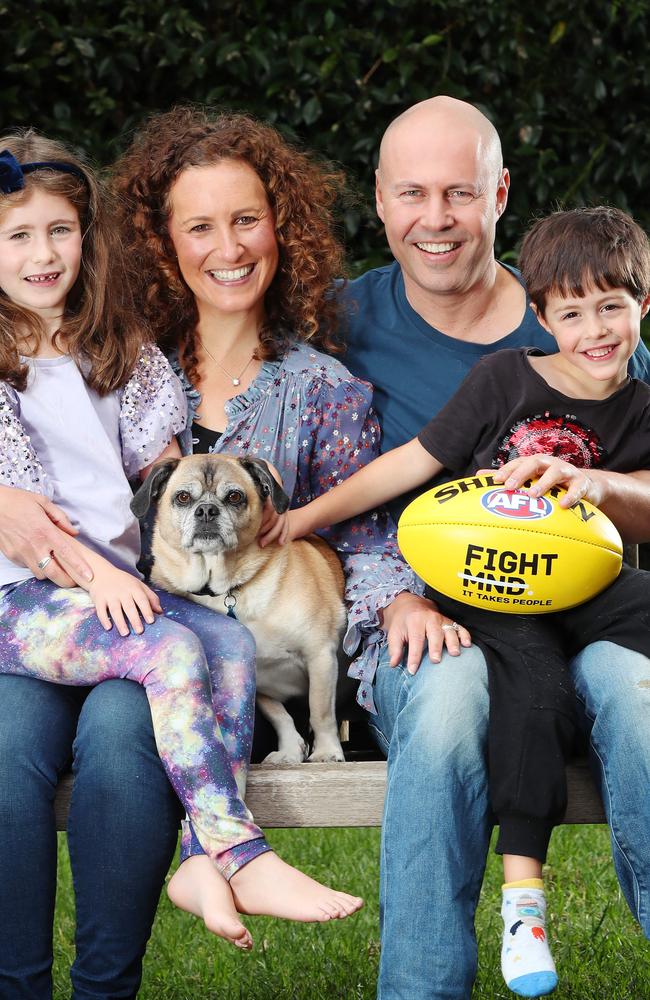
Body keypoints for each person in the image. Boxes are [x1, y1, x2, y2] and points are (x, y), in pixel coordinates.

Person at [0, 131, 362, 997]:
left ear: (89, 236)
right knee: (121, 680)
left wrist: (177, 550)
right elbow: (30, 525)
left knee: (226, 646)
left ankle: (182, 887)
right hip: (34, 600)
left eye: (60, 231)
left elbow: (160, 481)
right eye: (18, 236)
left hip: (117, 598)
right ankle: (232, 852)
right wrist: (107, 576)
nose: (44, 254)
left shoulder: (121, 351)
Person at [283, 204, 650, 997]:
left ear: (643, 308)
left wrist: (600, 484)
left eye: (613, 306)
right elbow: (412, 462)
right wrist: (307, 517)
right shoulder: (505, 378)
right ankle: (524, 902)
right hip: (493, 591)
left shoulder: (643, 401)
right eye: (573, 311)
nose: (595, 328)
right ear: (541, 314)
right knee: (532, 701)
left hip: (592, 593)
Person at [110, 104, 446, 926]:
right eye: (201, 227)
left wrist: (396, 597)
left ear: (279, 227)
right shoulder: (118, 372)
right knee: (107, 745)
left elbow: (361, 530)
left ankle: (212, 862)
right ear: (163, 242)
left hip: (266, 666)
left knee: (119, 747)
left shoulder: (324, 388)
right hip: (134, 640)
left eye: (247, 221)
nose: (228, 250)